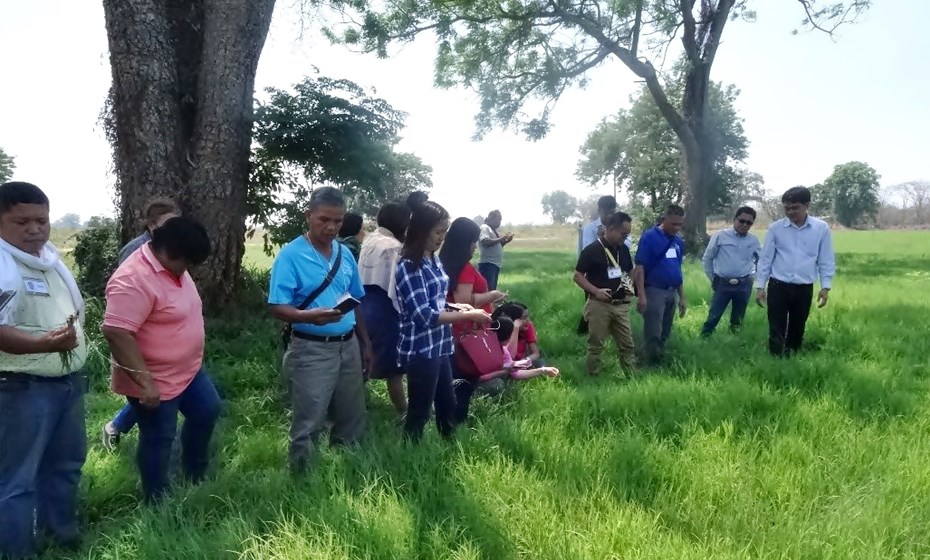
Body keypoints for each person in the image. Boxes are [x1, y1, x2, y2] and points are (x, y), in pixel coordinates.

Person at [101, 216, 220, 504]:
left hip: (188, 371)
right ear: (168, 251)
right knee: (159, 438)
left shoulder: (174, 267)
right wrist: (145, 383)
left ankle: (194, 474)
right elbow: (116, 332)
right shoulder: (133, 279)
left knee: (207, 411)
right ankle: (156, 501)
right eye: (187, 262)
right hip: (154, 378)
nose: (189, 268)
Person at [0, 182, 87, 558]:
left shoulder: (50, 260)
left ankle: (61, 538)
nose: (35, 229)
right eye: (22, 221)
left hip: (66, 383)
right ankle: (17, 551)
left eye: (41, 220)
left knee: (66, 466)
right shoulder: (2, 264)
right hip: (20, 388)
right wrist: (45, 344)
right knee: (17, 480)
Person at [268, 187, 372, 474]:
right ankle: (301, 478)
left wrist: (365, 343)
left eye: (338, 222)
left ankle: (345, 471)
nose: (331, 227)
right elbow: (277, 307)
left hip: (347, 344)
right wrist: (308, 316)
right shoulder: (291, 255)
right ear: (309, 216)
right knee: (309, 418)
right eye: (324, 219)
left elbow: (356, 300)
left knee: (352, 414)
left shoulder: (344, 253)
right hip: (311, 347)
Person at [395, 201, 491, 442]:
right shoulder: (409, 265)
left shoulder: (433, 259)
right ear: (421, 229)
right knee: (420, 411)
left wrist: (459, 306)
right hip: (420, 349)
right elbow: (423, 315)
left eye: (444, 232)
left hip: (440, 345)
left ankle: (450, 454)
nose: (441, 238)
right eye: (437, 232)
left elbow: (436, 301)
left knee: (448, 405)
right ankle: (410, 456)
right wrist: (468, 315)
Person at [102, 197, 181, 451]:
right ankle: (116, 428)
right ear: (150, 225)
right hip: (142, 337)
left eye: (174, 222)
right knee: (148, 393)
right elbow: (125, 298)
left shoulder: (177, 247)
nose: (170, 229)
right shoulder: (134, 251)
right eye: (164, 224)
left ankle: (120, 426)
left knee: (162, 392)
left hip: (170, 339)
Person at [755, 186, 836, 356]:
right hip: (778, 286)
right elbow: (765, 259)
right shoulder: (776, 229)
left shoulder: (821, 228)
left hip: (803, 287)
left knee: (798, 327)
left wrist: (825, 286)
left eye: (795, 208)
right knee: (776, 326)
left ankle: (792, 358)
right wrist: (760, 286)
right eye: (787, 208)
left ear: (807, 205)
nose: (790, 212)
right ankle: (775, 360)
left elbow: (825, 259)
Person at [452, 316, 558, 424]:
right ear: (506, 337)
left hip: (473, 381)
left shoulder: (502, 349)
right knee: (497, 384)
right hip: (465, 384)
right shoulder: (481, 348)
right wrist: (505, 371)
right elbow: (480, 377)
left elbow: (516, 373)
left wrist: (542, 370)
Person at [358, 202, 410, 416]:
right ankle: (403, 411)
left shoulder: (370, 239)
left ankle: (352, 406)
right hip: (386, 309)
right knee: (394, 369)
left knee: (363, 359)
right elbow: (395, 287)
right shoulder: (393, 246)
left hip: (363, 305)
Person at [574, 211, 637, 375]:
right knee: (596, 345)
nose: (625, 238)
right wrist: (596, 291)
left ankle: (631, 376)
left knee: (627, 344)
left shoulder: (623, 250)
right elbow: (578, 276)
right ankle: (593, 377)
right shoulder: (592, 250)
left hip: (621, 306)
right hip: (599, 305)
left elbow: (629, 271)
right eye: (623, 234)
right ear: (611, 229)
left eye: (628, 234)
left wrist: (629, 289)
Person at [634, 205, 687, 366]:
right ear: (664, 219)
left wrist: (682, 297)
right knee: (653, 331)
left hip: (672, 291)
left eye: (680, 224)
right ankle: (651, 363)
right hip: (654, 290)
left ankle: (660, 357)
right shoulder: (649, 237)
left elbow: (678, 269)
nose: (677, 228)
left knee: (665, 330)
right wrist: (642, 295)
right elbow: (640, 266)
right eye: (674, 224)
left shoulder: (678, 241)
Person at [438, 217, 507, 336]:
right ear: (464, 242)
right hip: (468, 331)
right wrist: (492, 295)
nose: (475, 246)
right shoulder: (463, 268)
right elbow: (464, 301)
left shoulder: (443, 262)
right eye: (473, 241)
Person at [700, 206, 762, 336]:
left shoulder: (753, 240)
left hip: (744, 284)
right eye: (741, 221)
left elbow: (761, 261)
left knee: (738, 319)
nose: (744, 225)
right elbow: (707, 259)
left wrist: (753, 278)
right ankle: (704, 339)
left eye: (749, 223)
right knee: (713, 316)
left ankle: (734, 342)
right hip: (722, 283)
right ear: (734, 219)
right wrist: (714, 279)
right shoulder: (720, 236)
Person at [116, 198, 180, 264]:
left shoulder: (171, 246)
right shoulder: (135, 248)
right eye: (168, 223)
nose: (173, 227)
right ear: (151, 225)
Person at [492, 302, 544, 367]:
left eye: (528, 317)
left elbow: (536, 353)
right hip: (507, 364)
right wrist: (515, 328)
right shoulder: (503, 331)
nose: (528, 320)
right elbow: (510, 356)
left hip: (521, 361)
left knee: (540, 362)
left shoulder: (528, 326)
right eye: (524, 318)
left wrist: (524, 360)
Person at [477, 210, 513, 291]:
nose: (499, 222)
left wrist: (506, 241)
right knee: (488, 290)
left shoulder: (493, 230)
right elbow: (485, 242)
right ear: (491, 219)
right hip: (488, 263)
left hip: (495, 264)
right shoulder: (484, 228)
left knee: (492, 289)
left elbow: (496, 246)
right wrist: (501, 238)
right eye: (498, 219)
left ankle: (490, 304)